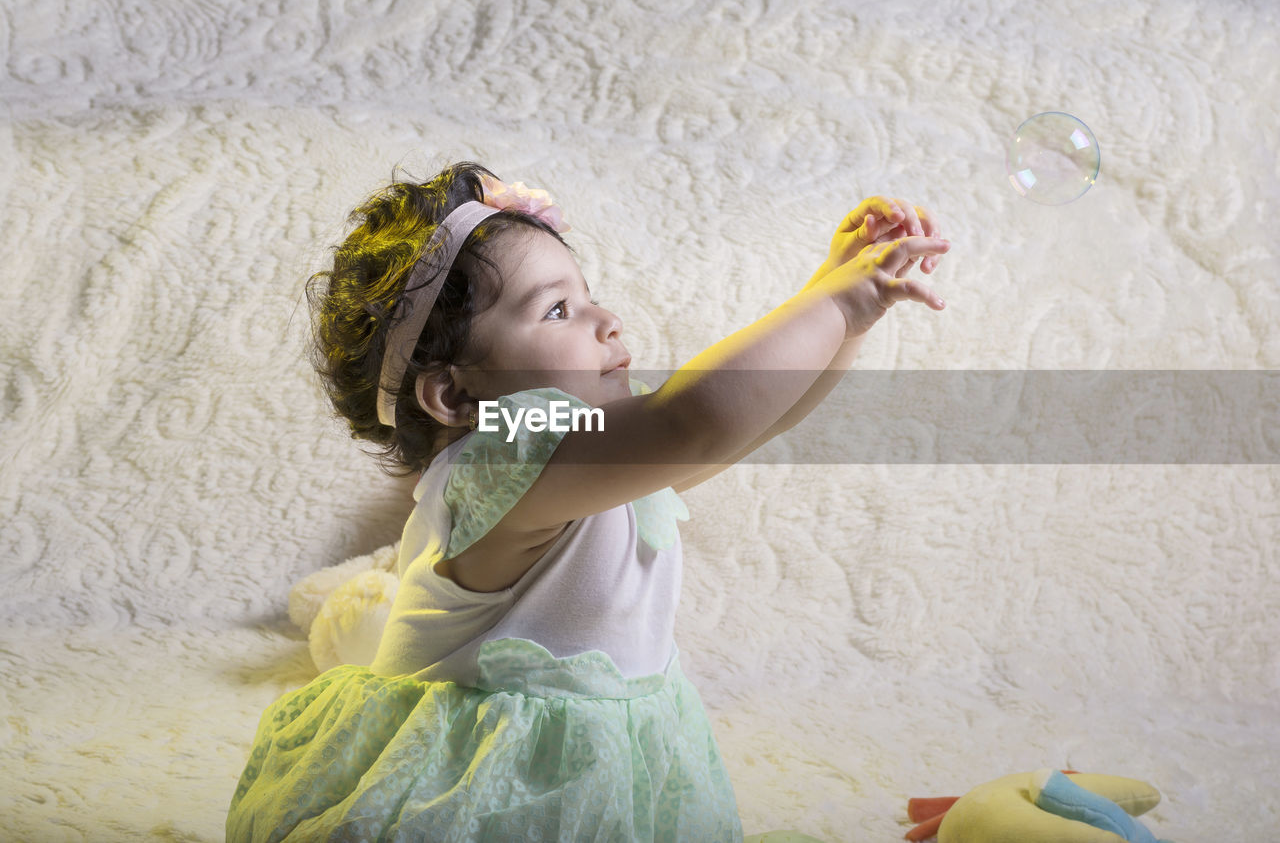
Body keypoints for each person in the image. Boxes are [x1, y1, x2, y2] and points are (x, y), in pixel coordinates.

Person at [226, 161, 951, 842]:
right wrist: (835, 298)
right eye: (558, 310)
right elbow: (698, 422)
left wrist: (845, 311)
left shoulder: (590, 449)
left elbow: (756, 419)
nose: (606, 320)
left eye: (587, 292)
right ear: (454, 395)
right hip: (485, 789)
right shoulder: (497, 456)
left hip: (593, 769)